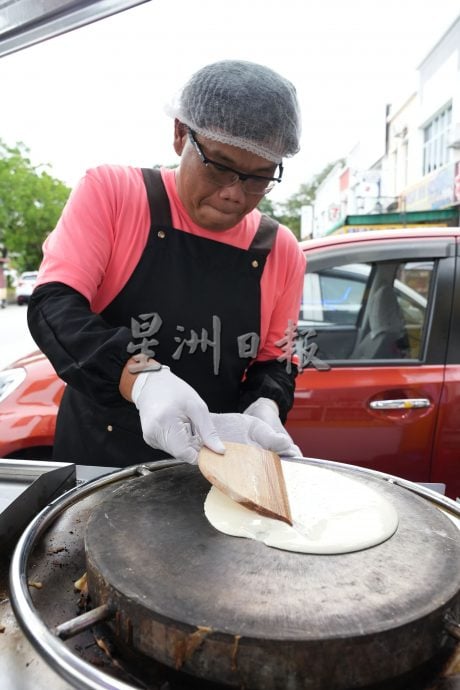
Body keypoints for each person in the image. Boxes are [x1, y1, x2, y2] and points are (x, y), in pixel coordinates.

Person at [28, 59, 306, 467]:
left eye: (258, 178)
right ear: (180, 135)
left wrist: (264, 406)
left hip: (214, 461)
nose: (234, 194)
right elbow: (53, 308)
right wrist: (140, 380)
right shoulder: (113, 194)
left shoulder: (280, 250)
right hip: (100, 458)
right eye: (220, 167)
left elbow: (276, 359)